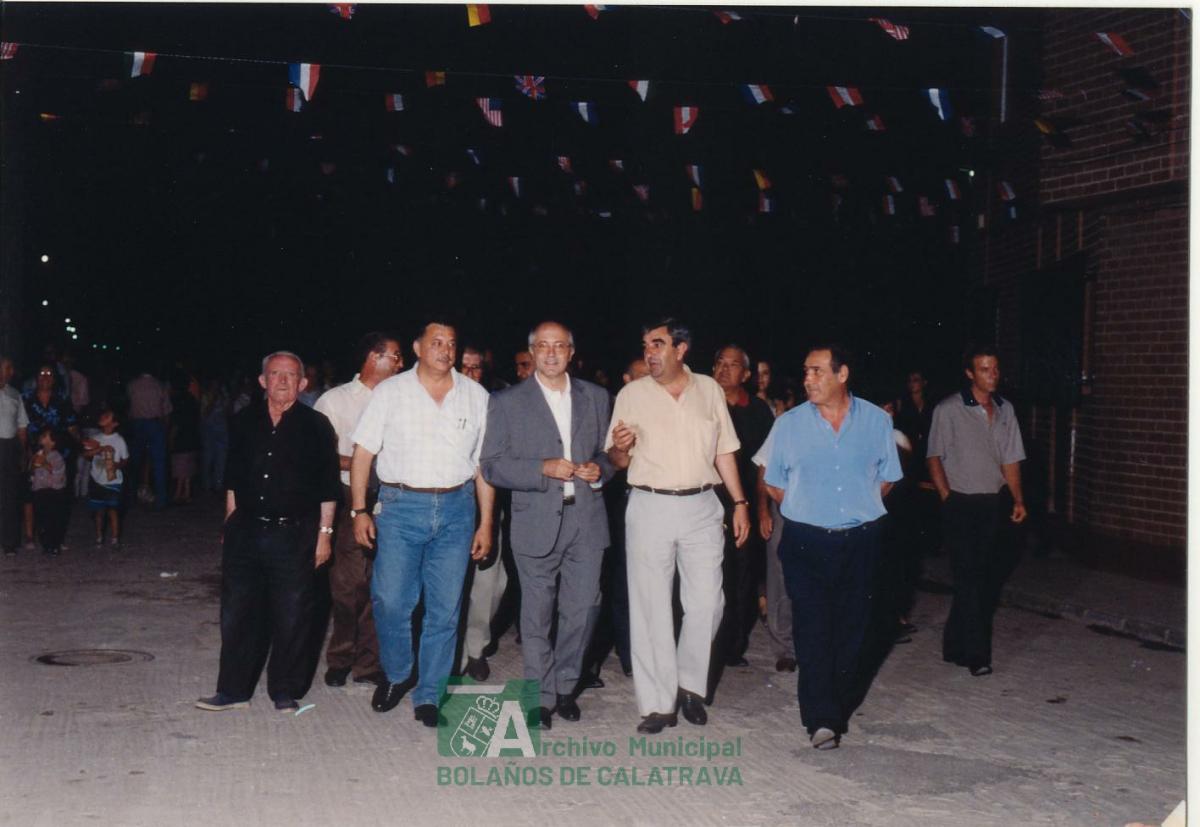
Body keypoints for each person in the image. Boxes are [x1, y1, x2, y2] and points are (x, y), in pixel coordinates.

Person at [606, 318, 750, 735]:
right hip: (649, 504)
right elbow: (618, 460)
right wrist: (620, 448)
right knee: (650, 605)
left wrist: (739, 502)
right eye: (645, 345)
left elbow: (725, 451)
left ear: (681, 349)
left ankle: (690, 685)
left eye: (658, 344)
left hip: (702, 505)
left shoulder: (709, 390)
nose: (649, 353)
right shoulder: (632, 394)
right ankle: (658, 704)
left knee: (708, 602)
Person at [349, 318, 494, 728]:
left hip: (457, 509)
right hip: (400, 507)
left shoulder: (476, 396)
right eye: (436, 342)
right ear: (417, 348)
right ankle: (398, 674)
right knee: (390, 600)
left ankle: (429, 692)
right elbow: (363, 454)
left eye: (451, 343)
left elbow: (483, 467)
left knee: (445, 609)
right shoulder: (391, 392)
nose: (445, 350)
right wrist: (359, 510)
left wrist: (486, 522)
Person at [763, 344, 902, 750]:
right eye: (806, 371)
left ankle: (837, 703)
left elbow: (888, 478)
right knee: (813, 629)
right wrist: (808, 507)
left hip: (861, 541)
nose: (808, 379)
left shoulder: (877, 421)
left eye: (817, 371)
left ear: (842, 375)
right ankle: (821, 718)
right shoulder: (788, 424)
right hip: (806, 541)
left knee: (853, 631)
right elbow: (773, 483)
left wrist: (858, 506)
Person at [481, 321, 615, 729]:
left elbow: (610, 455)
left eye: (560, 346)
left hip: (586, 520)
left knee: (583, 609)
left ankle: (566, 685)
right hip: (535, 520)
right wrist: (542, 468)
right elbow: (492, 465)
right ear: (532, 352)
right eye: (543, 346)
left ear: (571, 352)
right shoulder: (507, 402)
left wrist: (600, 469)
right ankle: (540, 696)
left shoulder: (597, 397)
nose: (552, 353)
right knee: (536, 613)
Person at [195, 351, 341, 713]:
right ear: (262, 381)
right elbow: (232, 480)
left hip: (295, 534)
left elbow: (327, 487)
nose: (282, 381)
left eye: (290, 375)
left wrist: (324, 535)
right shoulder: (243, 420)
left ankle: (284, 690)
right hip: (245, 530)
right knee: (237, 614)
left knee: (292, 614)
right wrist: (229, 524)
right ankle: (232, 691)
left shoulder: (317, 426)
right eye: (275, 374)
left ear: (303, 383)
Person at [926, 345, 1027, 677]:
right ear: (970, 373)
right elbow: (934, 456)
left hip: (992, 503)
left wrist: (1018, 499)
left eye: (995, 369)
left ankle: (953, 644)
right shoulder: (949, 409)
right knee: (970, 576)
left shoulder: (1006, 410)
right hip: (960, 502)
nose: (992, 375)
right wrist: (947, 497)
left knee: (980, 578)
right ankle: (977, 654)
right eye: (985, 369)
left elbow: (1011, 459)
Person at [313, 332, 403, 688]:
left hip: (393, 498)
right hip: (351, 495)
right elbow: (318, 454)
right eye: (395, 356)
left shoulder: (402, 398)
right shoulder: (335, 400)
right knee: (348, 584)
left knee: (381, 583)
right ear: (372, 357)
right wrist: (363, 462)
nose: (401, 363)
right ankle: (341, 656)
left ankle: (369, 663)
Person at [710, 345, 775, 676]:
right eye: (719, 363)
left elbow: (766, 464)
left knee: (742, 576)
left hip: (743, 505)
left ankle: (733, 646)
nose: (723, 370)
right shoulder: (701, 401)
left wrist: (760, 508)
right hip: (705, 502)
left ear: (746, 374)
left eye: (732, 365)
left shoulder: (759, 411)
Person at [22, 364, 79, 550]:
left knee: (58, 496)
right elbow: (21, 428)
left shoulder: (62, 399)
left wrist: (82, 444)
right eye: (41, 373)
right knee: (32, 494)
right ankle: (30, 536)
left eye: (49, 374)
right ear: (36, 378)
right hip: (32, 452)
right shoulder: (26, 399)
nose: (45, 377)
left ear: (54, 379)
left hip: (60, 455)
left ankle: (56, 537)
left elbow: (72, 427)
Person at [126, 367, 172, 509]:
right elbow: (167, 410)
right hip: (155, 424)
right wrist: (166, 429)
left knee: (134, 461)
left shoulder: (132, 384)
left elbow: (129, 405)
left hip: (137, 423)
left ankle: (131, 497)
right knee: (159, 463)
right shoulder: (159, 385)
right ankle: (161, 500)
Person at [82, 408, 128, 546]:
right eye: (103, 414)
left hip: (113, 481)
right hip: (97, 480)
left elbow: (125, 460)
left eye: (107, 416)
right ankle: (99, 537)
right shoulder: (96, 438)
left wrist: (116, 466)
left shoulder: (119, 440)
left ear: (114, 423)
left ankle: (115, 538)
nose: (103, 416)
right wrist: (101, 449)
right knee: (99, 511)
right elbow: (86, 455)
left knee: (113, 510)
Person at [0, 357, 28, 556]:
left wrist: (23, 453)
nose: (11, 371)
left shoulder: (15, 394)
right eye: (7, 367)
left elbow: (22, 426)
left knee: (9, 495)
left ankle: (9, 542)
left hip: (8, 447)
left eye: (11, 368)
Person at [29, 429, 69, 556]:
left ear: (53, 442)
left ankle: (55, 545)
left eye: (45, 436)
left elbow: (56, 472)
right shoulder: (38, 453)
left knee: (54, 519)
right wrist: (33, 464)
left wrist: (44, 462)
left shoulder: (57, 456)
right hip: (39, 491)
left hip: (53, 492)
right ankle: (46, 545)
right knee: (41, 520)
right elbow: (32, 470)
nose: (41, 436)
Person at [169, 374, 201, 504]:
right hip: (192, 436)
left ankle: (179, 493)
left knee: (179, 466)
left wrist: (171, 438)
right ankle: (186, 493)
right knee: (188, 465)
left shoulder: (177, 401)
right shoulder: (193, 400)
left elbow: (175, 422)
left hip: (181, 437)